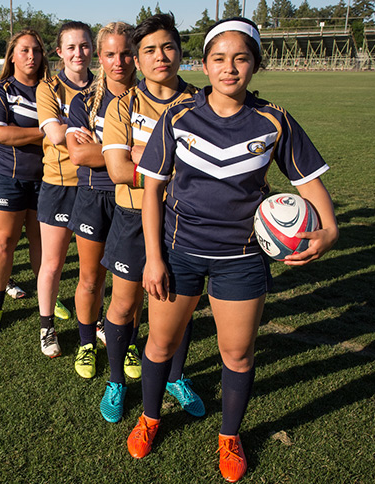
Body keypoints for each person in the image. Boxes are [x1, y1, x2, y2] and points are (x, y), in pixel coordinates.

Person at [130, 18, 338, 483]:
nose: (229, 68)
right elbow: (151, 191)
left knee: (237, 354)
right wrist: (155, 257)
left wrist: (330, 231)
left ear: (256, 64)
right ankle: (150, 418)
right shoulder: (179, 116)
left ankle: (229, 436)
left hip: (242, 258)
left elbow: (310, 184)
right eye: (219, 59)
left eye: (241, 58)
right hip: (178, 252)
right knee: (161, 343)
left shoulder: (274, 120)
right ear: (204, 64)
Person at [98, 13, 205, 424]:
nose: (160, 56)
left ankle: (176, 377)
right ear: (138, 62)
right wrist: (177, 167)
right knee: (124, 306)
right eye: (149, 50)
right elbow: (119, 170)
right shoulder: (122, 106)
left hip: (184, 219)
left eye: (168, 47)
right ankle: (116, 382)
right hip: (131, 215)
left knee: (179, 307)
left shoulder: (201, 103)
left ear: (180, 53)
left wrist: (147, 160)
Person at [66, 22, 136, 378]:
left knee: (131, 283)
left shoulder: (148, 99)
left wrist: (105, 150)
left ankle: (128, 345)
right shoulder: (84, 102)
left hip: (135, 199)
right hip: (94, 195)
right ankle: (86, 344)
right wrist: (129, 152)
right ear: (100, 56)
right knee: (91, 279)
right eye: (110, 54)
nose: (118, 61)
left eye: (125, 53)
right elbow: (79, 155)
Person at [0, 29, 48, 334]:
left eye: (36, 50)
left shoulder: (52, 90)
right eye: (24, 50)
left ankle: (48, 298)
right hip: (6, 176)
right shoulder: (1, 91)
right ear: (12, 56)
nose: (31, 56)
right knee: (5, 242)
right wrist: (45, 131)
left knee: (41, 242)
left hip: (46, 178)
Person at [33, 21, 94, 357]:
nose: (78, 53)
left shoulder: (103, 87)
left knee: (94, 268)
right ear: (60, 52)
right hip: (58, 183)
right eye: (71, 47)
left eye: (84, 46)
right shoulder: (49, 87)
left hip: (94, 185)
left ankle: (93, 320)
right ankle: (47, 327)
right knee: (53, 263)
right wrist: (85, 130)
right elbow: (56, 135)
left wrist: (73, 128)